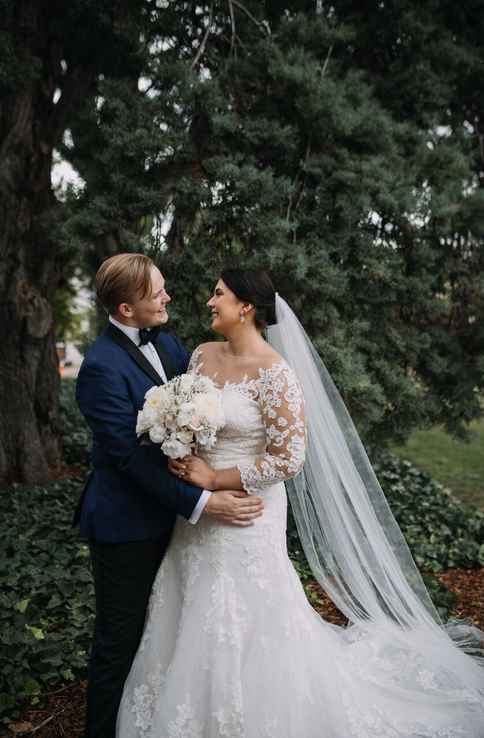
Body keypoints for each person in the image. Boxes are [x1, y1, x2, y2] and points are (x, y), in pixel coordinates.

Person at [116, 268, 484, 737]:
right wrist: (181, 449)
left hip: (249, 512)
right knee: (190, 601)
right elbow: (198, 424)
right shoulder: (201, 357)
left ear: (245, 306)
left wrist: (216, 477)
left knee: (246, 610)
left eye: (218, 294)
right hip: (199, 511)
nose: (209, 302)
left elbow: (288, 458)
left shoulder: (275, 373)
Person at [74, 254, 264, 738]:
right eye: (156, 292)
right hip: (126, 524)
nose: (168, 297)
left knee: (169, 633)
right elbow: (127, 458)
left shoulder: (172, 343)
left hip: (176, 524)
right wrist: (204, 502)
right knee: (120, 641)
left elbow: (201, 405)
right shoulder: (99, 368)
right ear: (125, 309)